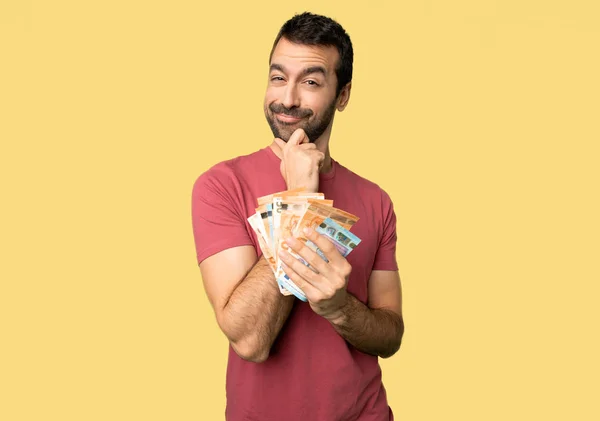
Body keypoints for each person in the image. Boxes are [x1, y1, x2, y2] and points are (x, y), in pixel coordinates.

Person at [191, 12, 404, 421]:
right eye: (277, 77)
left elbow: (390, 334)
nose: (287, 98)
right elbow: (250, 340)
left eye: (310, 82)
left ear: (342, 95)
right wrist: (298, 199)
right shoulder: (221, 185)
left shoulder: (376, 200)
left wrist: (341, 309)